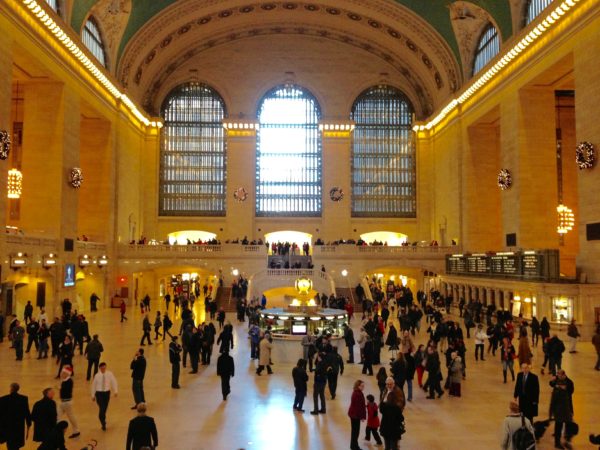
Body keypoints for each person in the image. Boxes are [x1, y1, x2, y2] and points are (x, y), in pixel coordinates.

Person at [0, 383, 31, 450]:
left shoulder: (3, 399)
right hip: (19, 426)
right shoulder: (23, 399)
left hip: (8, 426)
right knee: (17, 444)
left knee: (10, 444)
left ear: (11, 388)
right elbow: (27, 413)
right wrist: (28, 425)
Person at [549, 370, 575, 449]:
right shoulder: (556, 382)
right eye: (557, 375)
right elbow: (551, 384)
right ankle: (557, 443)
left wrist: (563, 388)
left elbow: (571, 391)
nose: (558, 377)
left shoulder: (569, 382)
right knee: (558, 427)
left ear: (564, 375)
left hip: (567, 408)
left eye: (560, 375)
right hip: (558, 410)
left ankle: (567, 441)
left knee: (568, 426)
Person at [90, 362, 118, 431]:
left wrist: (115, 391)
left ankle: (103, 422)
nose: (103, 369)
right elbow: (94, 385)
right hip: (99, 394)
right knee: (102, 409)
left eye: (104, 368)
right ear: (100, 368)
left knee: (104, 409)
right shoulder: (97, 376)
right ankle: (103, 422)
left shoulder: (109, 374)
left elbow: (114, 381)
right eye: (102, 368)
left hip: (106, 393)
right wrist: (93, 395)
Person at [379, 382, 405, 450]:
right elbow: (401, 418)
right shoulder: (397, 408)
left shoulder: (384, 407)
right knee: (394, 447)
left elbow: (380, 408)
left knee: (387, 447)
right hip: (394, 431)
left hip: (385, 429)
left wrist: (384, 399)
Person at [57, 366, 80, 439]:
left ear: (67, 374)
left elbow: (66, 390)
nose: (61, 374)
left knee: (71, 417)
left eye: (63, 373)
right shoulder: (65, 380)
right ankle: (57, 430)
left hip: (67, 402)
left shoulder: (69, 381)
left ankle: (76, 431)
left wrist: (59, 388)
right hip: (63, 402)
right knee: (57, 415)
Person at [347, 380, 366, 450]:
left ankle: (353, 445)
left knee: (354, 431)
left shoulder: (357, 392)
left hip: (354, 414)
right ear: (358, 386)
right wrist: (362, 417)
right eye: (362, 386)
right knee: (355, 432)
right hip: (355, 415)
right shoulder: (358, 394)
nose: (363, 387)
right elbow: (358, 407)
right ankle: (355, 446)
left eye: (363, 386)